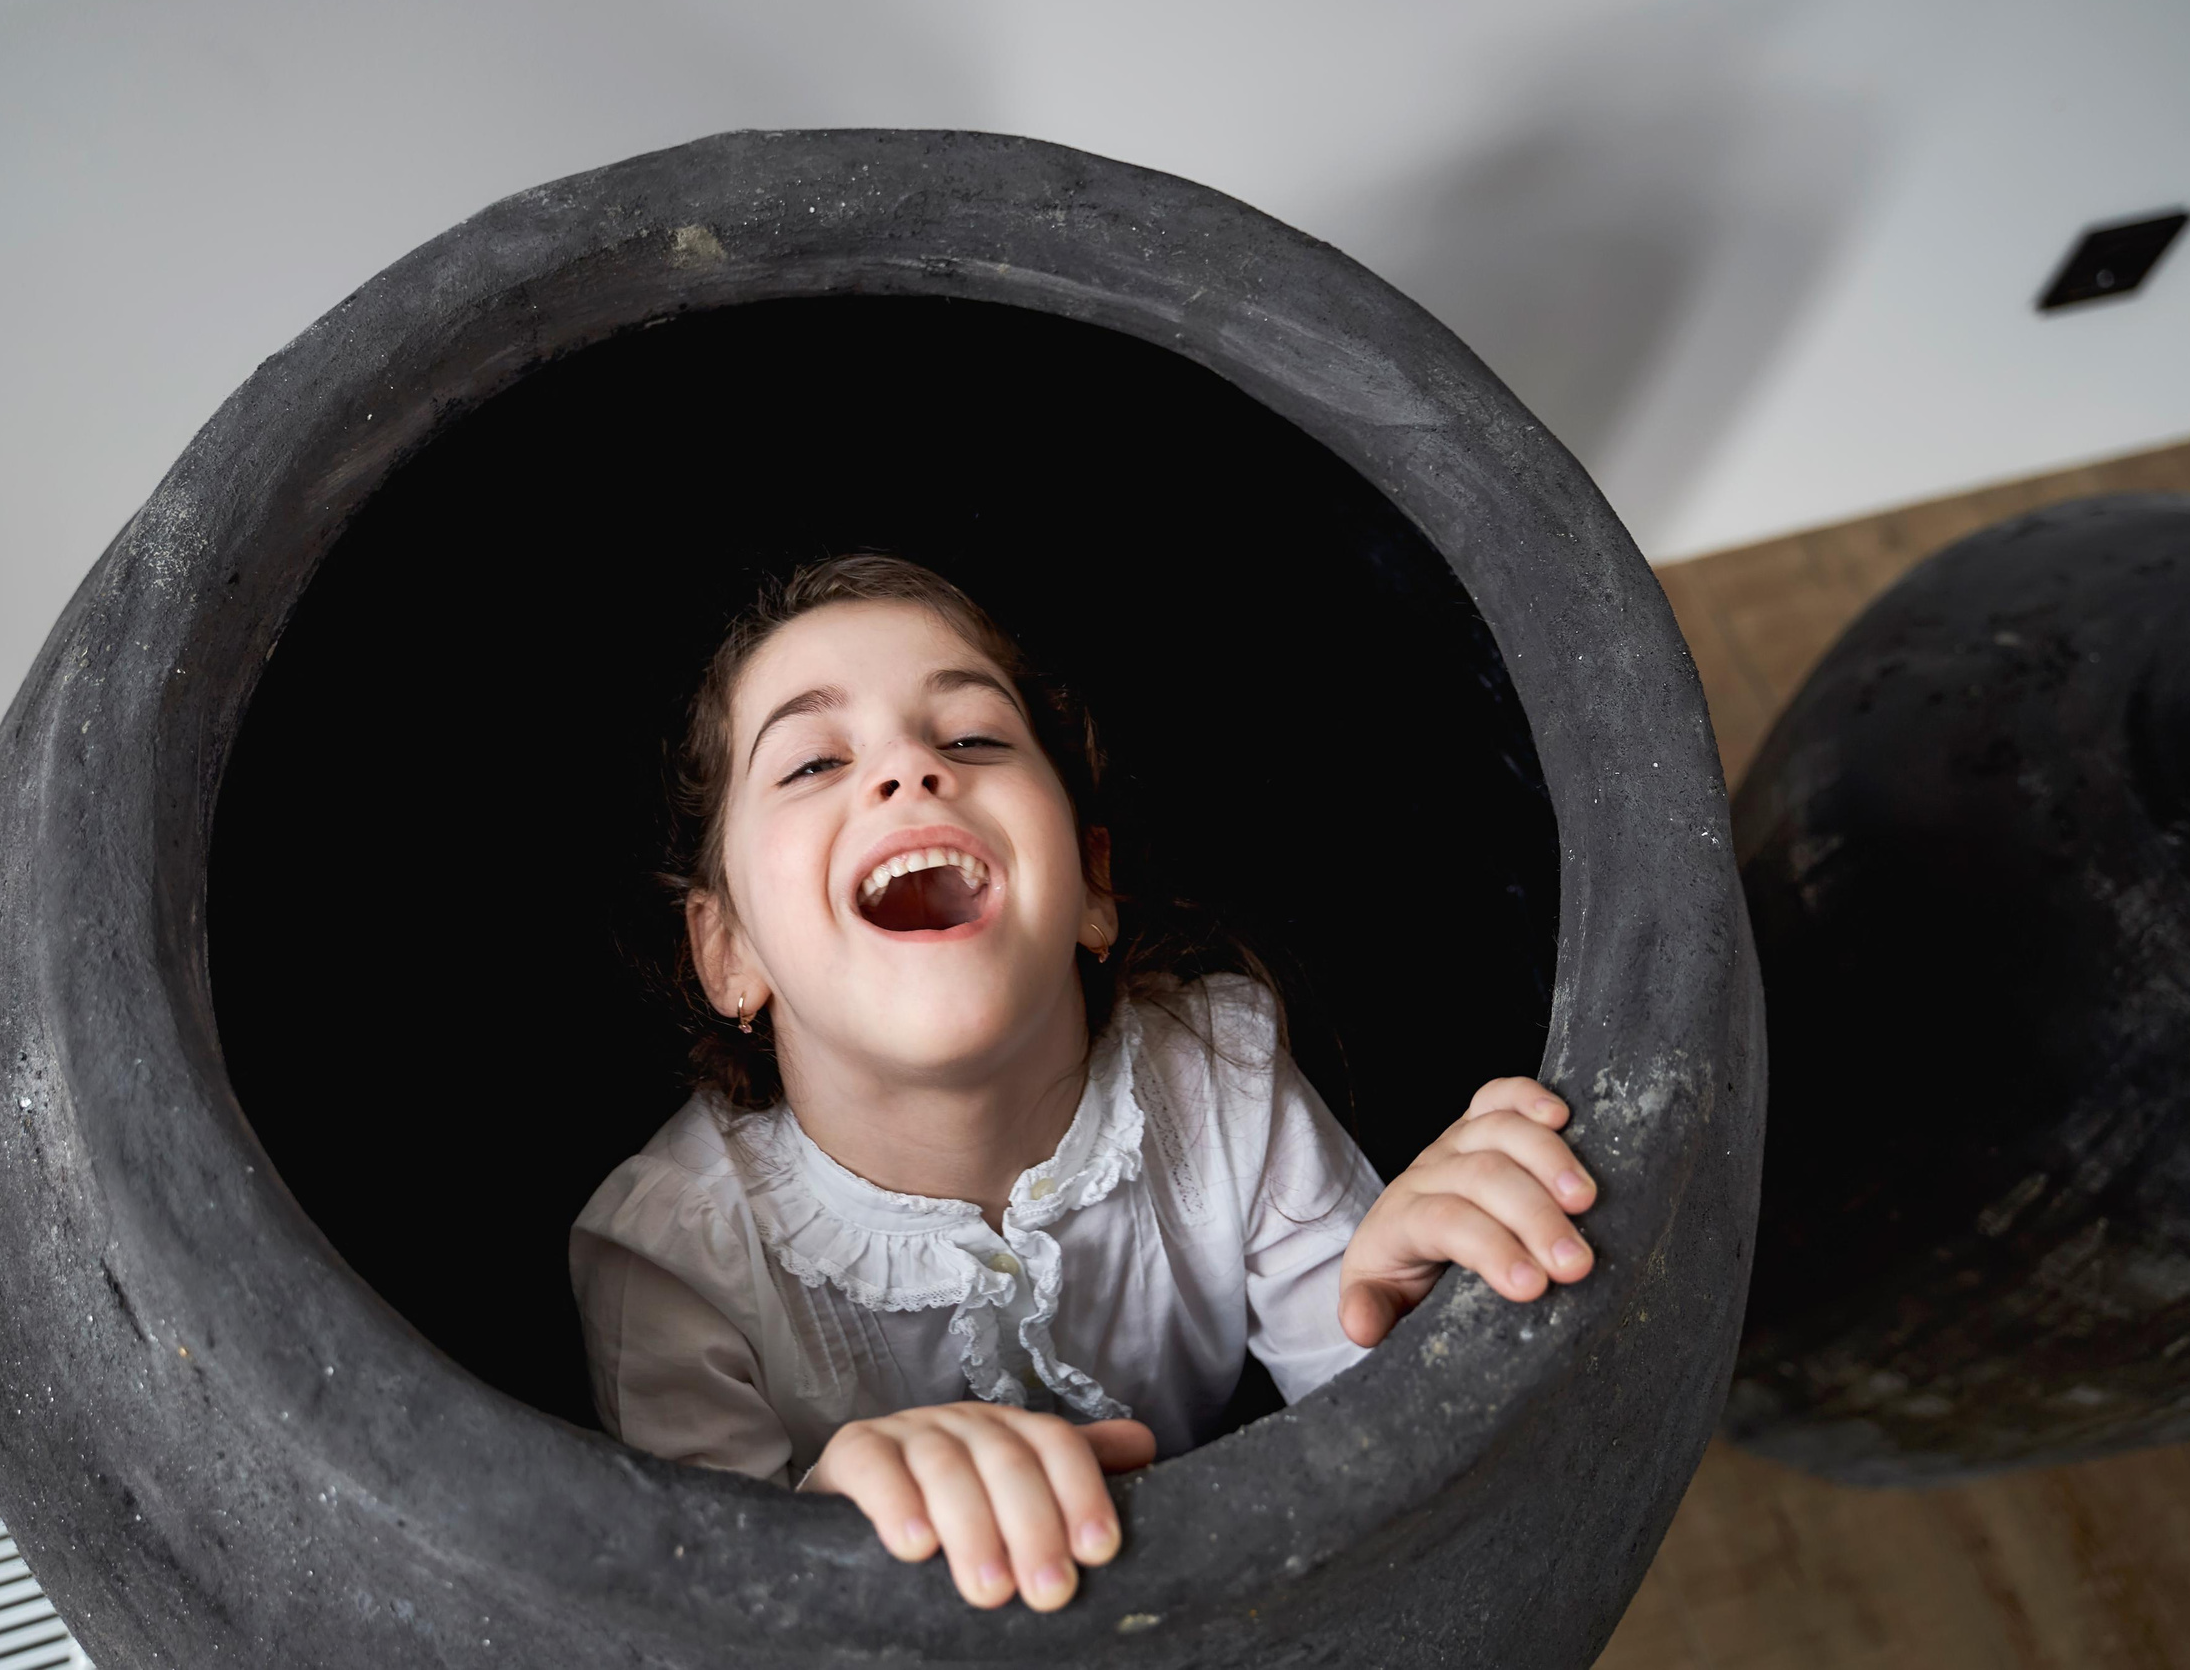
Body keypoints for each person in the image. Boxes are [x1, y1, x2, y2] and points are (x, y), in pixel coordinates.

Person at [572, 555, 1596, 1613]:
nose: (907, 770)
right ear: (727, 949)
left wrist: (1415, 1310)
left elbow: (1397, 1483)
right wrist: (819, 1536)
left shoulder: (1220, 1073)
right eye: (811, 763)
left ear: (1091, 888)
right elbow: (704, 1627)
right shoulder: (670, 1262)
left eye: (971, 737)